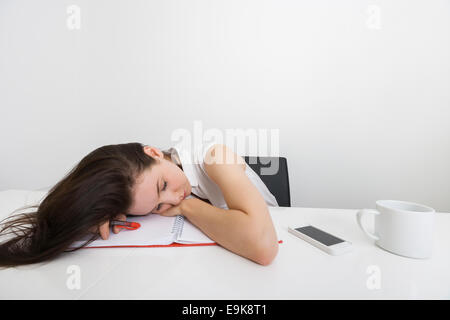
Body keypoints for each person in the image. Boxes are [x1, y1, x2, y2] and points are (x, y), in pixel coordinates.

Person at [0, 142, 279, 268]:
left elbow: (263, 248)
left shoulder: (216, 156)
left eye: (162, 186)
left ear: (154, 152)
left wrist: (187, 207)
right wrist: (105, 212)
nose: (171, 200)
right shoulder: (140, 184)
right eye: (157, 206)